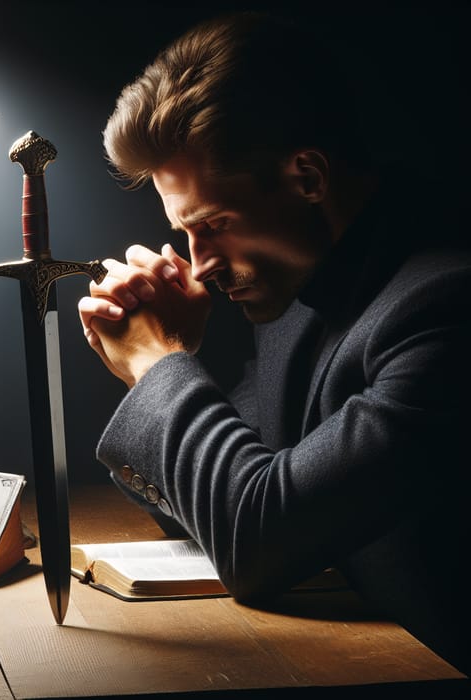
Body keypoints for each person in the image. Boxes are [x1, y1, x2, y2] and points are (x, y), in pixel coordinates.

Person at [77, 11, 470, 675]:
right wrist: (173, 369)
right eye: (186, 233)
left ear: (307, 178)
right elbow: (222, 494)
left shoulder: (445, 310)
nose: (198, 264)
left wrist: (158, 365)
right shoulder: (304, 297)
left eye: (215, 225)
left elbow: (255, 541)